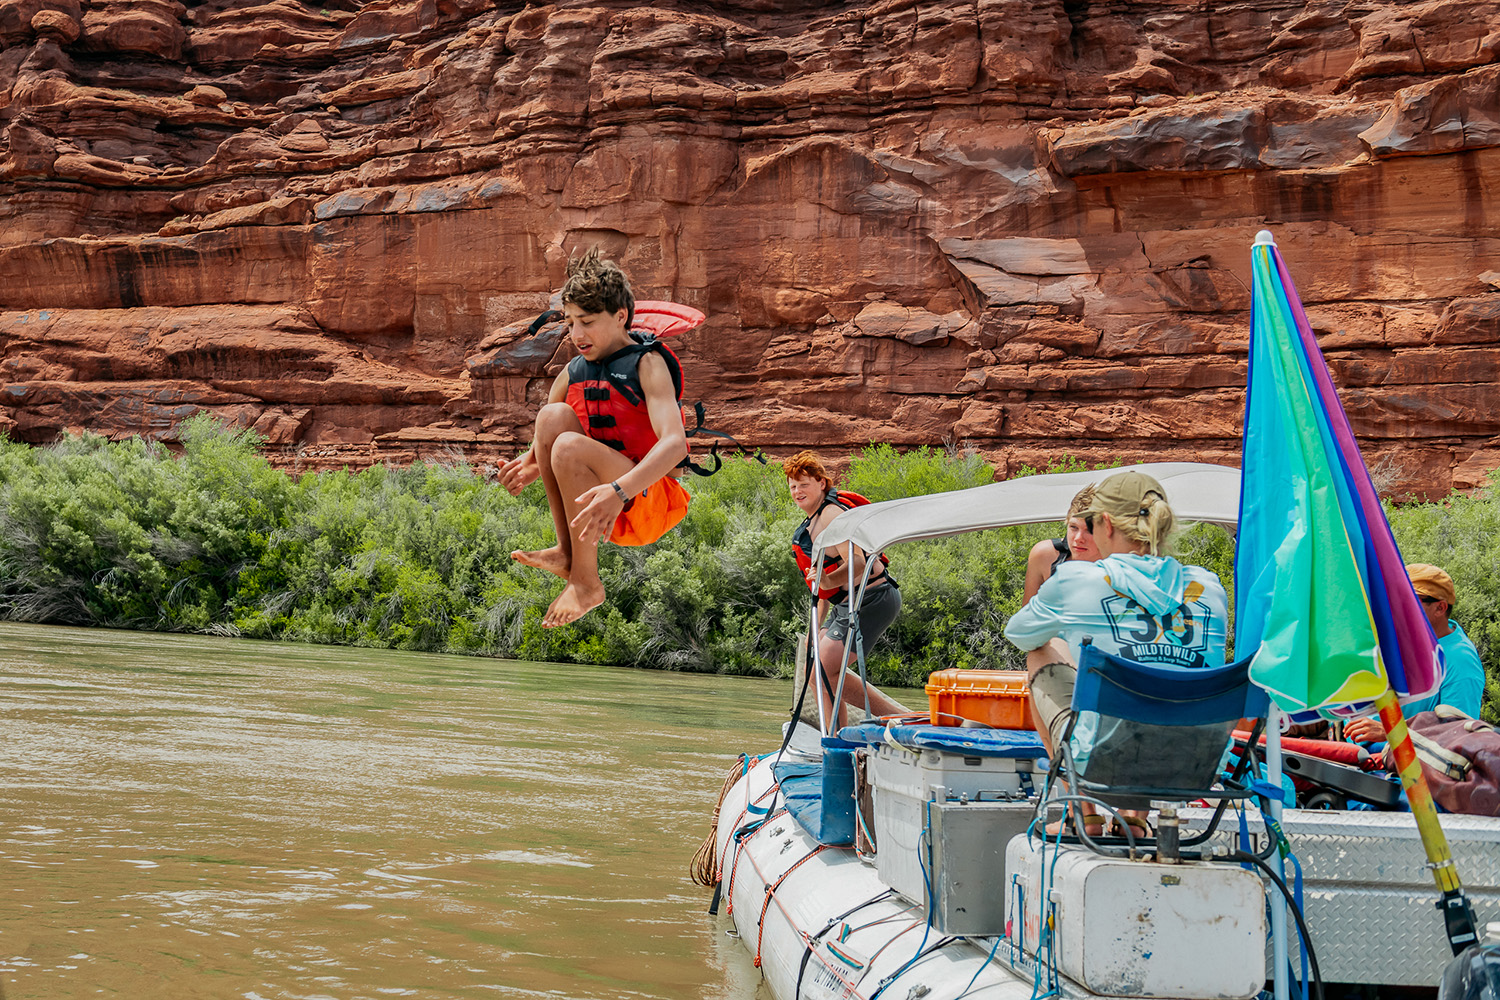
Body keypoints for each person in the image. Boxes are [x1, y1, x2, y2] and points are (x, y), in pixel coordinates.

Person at [1004, 470, 1229, 834]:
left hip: (1101, 762)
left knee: (1042, 651)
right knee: (1160, 675)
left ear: (1105, 524)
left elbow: (1019, 634)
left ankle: (1082, 811)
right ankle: (1133, 821)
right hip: (1195, 765)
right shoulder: (1210, 586)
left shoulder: (1076, 579)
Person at [498, 248, 690, 628]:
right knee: (552, 416)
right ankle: (568, 554)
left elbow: (675, 445)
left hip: (648, 500)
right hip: (598, 507)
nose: (576, 334)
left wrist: (618, 490)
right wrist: (528, 466)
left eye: (586, 321)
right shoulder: (573, 371)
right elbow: (546, 438)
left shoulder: (647, 364)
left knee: (569, 446)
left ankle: (586, 584)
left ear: (621, 317)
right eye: (570, 322)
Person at [785, 451, 908, 729]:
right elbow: (823, 592)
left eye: (803, 484)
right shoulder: (811, 524)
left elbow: (858, 563)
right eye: (792, 486)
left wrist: (827, 581)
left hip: (873, 598)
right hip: (848, 604)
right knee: (819, 671)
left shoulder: (831, 515)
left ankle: (845, 739)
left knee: (822, 672)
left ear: (821, 483)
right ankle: (838, 737)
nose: (797, 491)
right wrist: (813, 630)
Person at [1344, 563, 1486, 742]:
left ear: (1440, 608)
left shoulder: (1461, 662)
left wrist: (1392, 731)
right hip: (1349, 750)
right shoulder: (1403, 637)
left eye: (1408, 601)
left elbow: (1457, 737)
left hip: (1389, 766)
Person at [1022, 484, 1103, 603]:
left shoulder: (1125, 564)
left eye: (1090, 530)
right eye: (1073, 527)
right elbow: (1027, 618)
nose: (1078, 538)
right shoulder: (1045, 556)